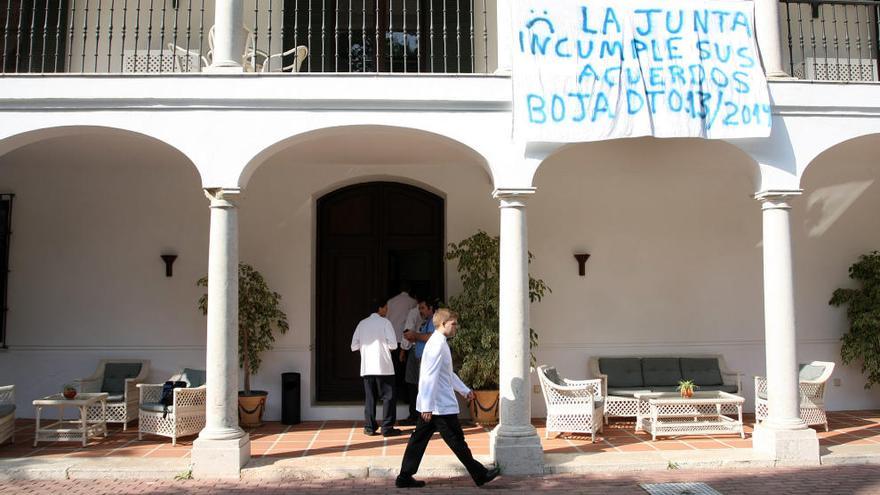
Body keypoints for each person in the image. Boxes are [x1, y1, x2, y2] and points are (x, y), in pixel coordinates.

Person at [396, 308, 500, 488]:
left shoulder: (439, 342)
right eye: (454, 323)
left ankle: (404, 476)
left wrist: (464, 390)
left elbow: (447, 374)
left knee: (419, 440)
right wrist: (427, 406)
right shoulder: (437, 344)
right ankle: (480, 474)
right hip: (438, 406)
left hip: (435, 406)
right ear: (443, 324)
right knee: (456, 441)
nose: (456, 327)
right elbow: (429, 376)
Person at [351, 299, 403, 437]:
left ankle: (369, 427)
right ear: (380, 309)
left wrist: (365, 349)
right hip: (383, 366)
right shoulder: (385, 323)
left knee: (370, 398)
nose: (387, 310)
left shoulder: (362, 324)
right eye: (386, 308)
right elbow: (393, 345)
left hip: (367, 367)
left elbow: (354, 346)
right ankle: (387, 427)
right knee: (388, 397)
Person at [400, 297, 435, 426]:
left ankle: (423, 416)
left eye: (423, 308)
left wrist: (415, 335)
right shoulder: (426, 322)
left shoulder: (433, 321)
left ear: (431, 308)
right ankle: (417, 415)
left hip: (426, 359)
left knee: (423, 387)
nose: (420, 311)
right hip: (419, 356)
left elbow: (431, 337)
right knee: (414, 384)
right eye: (419, 308)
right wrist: (412, 339)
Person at [386, 285, 417, 407]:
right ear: (409, 290)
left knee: (392, 370)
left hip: (392, 339)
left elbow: (386, 320)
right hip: (405, 340)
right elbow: (412, 322)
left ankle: (392, 396)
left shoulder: (391, 301)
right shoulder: (413, 302)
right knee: (405, 372)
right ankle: (406, 398)